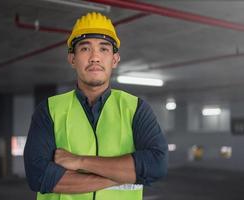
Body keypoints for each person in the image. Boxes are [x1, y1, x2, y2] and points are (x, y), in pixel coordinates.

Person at [24, 12, 168, 200]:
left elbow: (157, 165)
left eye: (104, 49)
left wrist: (79, 161)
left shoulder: (135, 109)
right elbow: (39, 176)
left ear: (114, 59)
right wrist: (123, 175)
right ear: (72, 59)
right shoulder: (49, 110)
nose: (95, 57)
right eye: (85, 49)